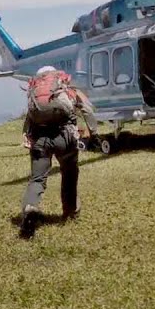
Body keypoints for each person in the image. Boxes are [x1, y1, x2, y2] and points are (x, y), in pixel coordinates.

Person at [19, 66, 94, 237]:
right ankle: (70, 212)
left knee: (37, 179)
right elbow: (87, 110)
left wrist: (26, 136)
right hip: (65, 139)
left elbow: (29, 119)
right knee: (69, 173)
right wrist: (93, 134)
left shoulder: (35, 94)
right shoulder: (66, 89)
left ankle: (30, 208)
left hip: (40, 140)